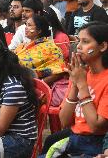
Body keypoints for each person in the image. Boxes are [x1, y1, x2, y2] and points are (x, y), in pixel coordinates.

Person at [41, 21, 108, 157]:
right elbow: (64, 121)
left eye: (85, 42)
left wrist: (82, 85)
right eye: (78, 41)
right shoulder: (80, 73)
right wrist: (75, 85)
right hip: (74, 135)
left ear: (102, 46)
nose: (78, 46)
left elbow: (96, 127)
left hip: (96, 143)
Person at [14, 15, 66, 86]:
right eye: (26, 24)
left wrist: (38, 84)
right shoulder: (21, 46)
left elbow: (59, 72)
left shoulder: (51, 48)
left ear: (39, 30)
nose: (26, 28)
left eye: (29, 25)